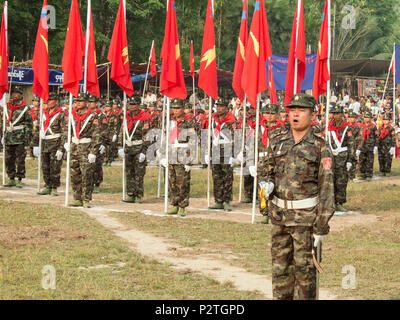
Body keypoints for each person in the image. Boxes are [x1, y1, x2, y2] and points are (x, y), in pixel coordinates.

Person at [258, 93, 334, 300]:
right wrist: (264, 199)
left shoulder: (320, 146)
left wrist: (321, 226)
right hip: (279, 216)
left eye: (301, 110)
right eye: (292, 110)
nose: (295, 114)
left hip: (305, 220)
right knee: (280, 270)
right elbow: (266, 171)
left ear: (313, 115)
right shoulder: (277, 140)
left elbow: (326, 188)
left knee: (305, 273)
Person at [160, 99, 197, 216]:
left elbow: (193, 141)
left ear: (183, 109)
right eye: (174, 108)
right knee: (171, 181)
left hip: (183, 153)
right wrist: (163, 155)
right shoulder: (170, 121)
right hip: (171, 152)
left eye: (178, 108)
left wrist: (189, 160)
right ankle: (174, 204)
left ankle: (182, 205)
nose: (175, 110)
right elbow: (165, 138)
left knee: (183, 182)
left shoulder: (189, 122)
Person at [66, 92, 101, 208]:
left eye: (80, 101)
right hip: (74, 147)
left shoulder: (93, 116)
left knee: (87, 174)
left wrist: (93, 152)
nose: (77, 103)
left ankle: (86, 198)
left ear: (86, 102)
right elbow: (67, 131)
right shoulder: (72, 115)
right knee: (74, 174)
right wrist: (66, 143)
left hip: (86, 148)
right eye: (76, 101)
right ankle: (77, 198)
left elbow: (96, 135)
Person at [117, 96, 150, 203]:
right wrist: (119, 147)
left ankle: (138, 195)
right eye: (130, 104)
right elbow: (122, 132)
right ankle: (130, 194)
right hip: (128, 147)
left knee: (139, 173)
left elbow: (147, 136)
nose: (131, 106)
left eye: (134, 104)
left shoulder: (144, 117)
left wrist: (144, 152)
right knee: (129, 172)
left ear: (138, 105)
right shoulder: (126, 117)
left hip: (139, 147)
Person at [207, 98, 237, 212]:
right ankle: (218, 200)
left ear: (226, 108)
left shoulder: (231, 120)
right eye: (217, 106)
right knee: (216, 176)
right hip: (215, 150)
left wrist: (234, 154)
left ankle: (227, 201)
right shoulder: (213, 119)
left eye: (221, 106)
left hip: (227, 150)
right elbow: (208, 134)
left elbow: (236, 136)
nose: (219, 108)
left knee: (227, 176)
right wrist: (207, 151)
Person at [1, 86, 33, 188]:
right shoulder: (7, 107)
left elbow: (29, 125)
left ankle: (19, 178)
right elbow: (3, 122)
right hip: (9, 137)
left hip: (20, 137)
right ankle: (11, 178)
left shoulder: (25, 108)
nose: (14, 95)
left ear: (21, 95)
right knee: (8, 158)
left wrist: (27, 140)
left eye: (17, 93)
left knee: (20, 159)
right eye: (13, 93)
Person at [326, 105, 355, 212]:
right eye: (334, 113)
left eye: (338, 113)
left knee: (341, 181)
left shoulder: (347, 127)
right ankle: (331, 202)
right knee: (330, 180)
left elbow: (351, 144)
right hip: (330, 158)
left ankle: (340, 202)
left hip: (342, 158)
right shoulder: (328, 127)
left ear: (342, 114)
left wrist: (350, 160)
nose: (336, 116)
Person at [36, 93, 66, 196]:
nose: (47, 102)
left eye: (50, 100)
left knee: (55, 167)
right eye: (47, 100)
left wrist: (61, 149)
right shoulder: (44, 114)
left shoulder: (61, 114)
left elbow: (64, 133)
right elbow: (39, 129)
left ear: (56, 102)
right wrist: (36, 143)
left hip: (55, 144)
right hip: (45, 143)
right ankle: (47, 185)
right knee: (45, 166)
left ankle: (54, 187)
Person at [89, 95, 108, 193]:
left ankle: (97, 183)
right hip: (88, 142)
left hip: (98, 142)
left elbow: (104, 131)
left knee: (97, 164)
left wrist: (103, 144)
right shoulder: (87, 114)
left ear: (97, 103)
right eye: (89, 102)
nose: (90, 103)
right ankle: (89, 183)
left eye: (92, 102)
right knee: (88, 165)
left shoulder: (101, 115)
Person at [357, 111, 378, 180]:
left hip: (370, 146)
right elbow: (358, 137)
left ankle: (369, 174)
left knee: (369, 160)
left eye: (368, 117)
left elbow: (376, 137)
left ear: (371, 118)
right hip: (362, 146)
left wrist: (376, 146)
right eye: (365, 117)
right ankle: (362, 174)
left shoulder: (373, 127)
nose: (366, 119)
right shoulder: (360, 126)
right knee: (362, 160)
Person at [347, 111, 363, 180]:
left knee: (353, 161)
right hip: (346, 147)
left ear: (355, 119)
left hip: (354, 147)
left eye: (353, 118)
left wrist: (359, 148)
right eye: (350, 117)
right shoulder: (346, 127)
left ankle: (352, 176)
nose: (351, 119)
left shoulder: (358, 128)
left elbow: (360, 139)